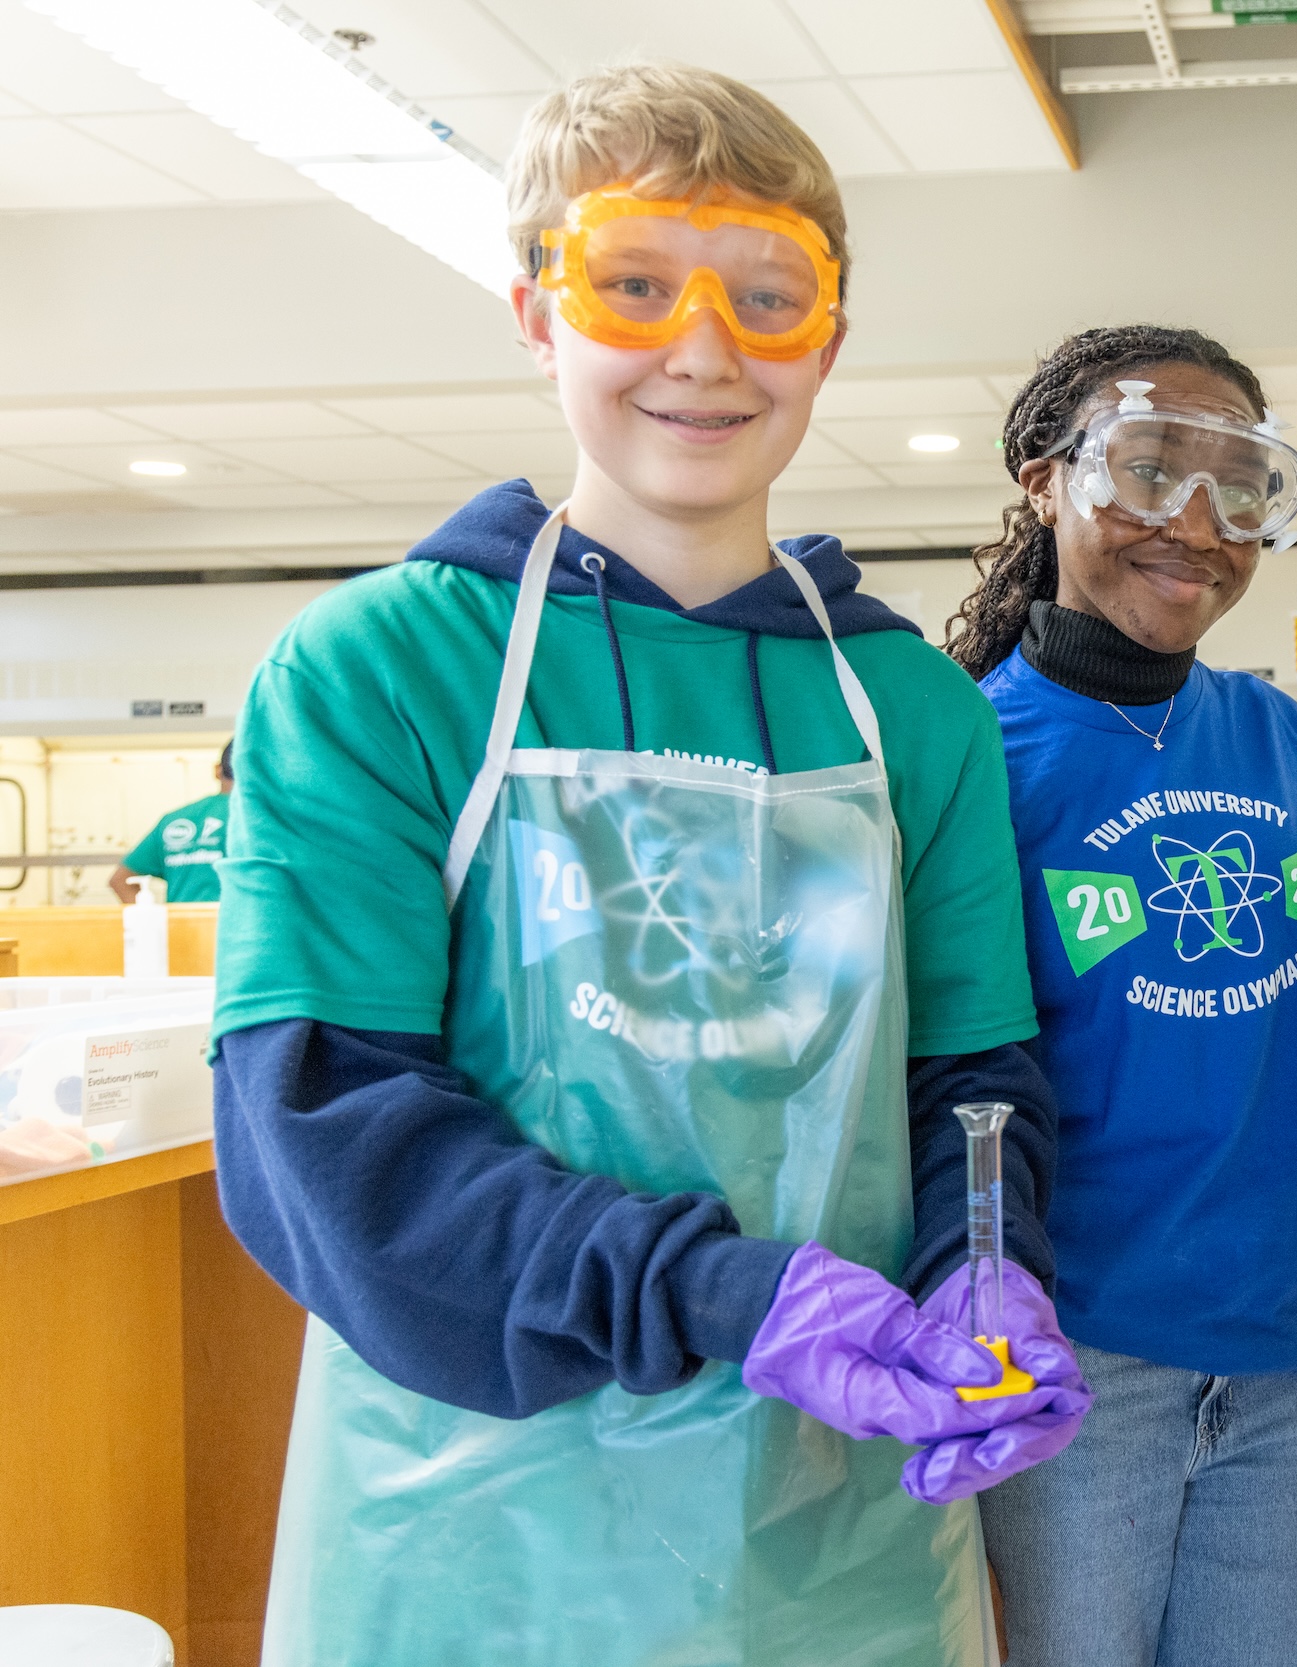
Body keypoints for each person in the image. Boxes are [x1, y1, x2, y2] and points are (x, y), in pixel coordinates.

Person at [209, 64, 1088, 1666]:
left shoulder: (913, 711)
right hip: (476, 1537)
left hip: (841, 1545)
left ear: (828, 336)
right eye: (634, 283)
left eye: (769, 296)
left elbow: (972, 1084)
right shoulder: (381, 666)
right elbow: (326, 1136)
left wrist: (986, 1268)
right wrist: (735, 1297)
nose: (702, 348)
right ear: (540, 312)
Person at [943, 326, 1297, 1667]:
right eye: (1148, 471)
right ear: (1045, 482)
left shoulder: (1283, 740)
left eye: (1239, 488)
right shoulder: (972, 748)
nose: (1195, 524)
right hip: (1070, 1361)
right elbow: (943, 1085)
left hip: (1284, 1354)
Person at [111, 741, 231, 903]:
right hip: (240, 926)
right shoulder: (263, 819)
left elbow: (120, 880)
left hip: (181, 927)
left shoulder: (175, 819)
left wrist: (152, 922)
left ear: (217, 771)